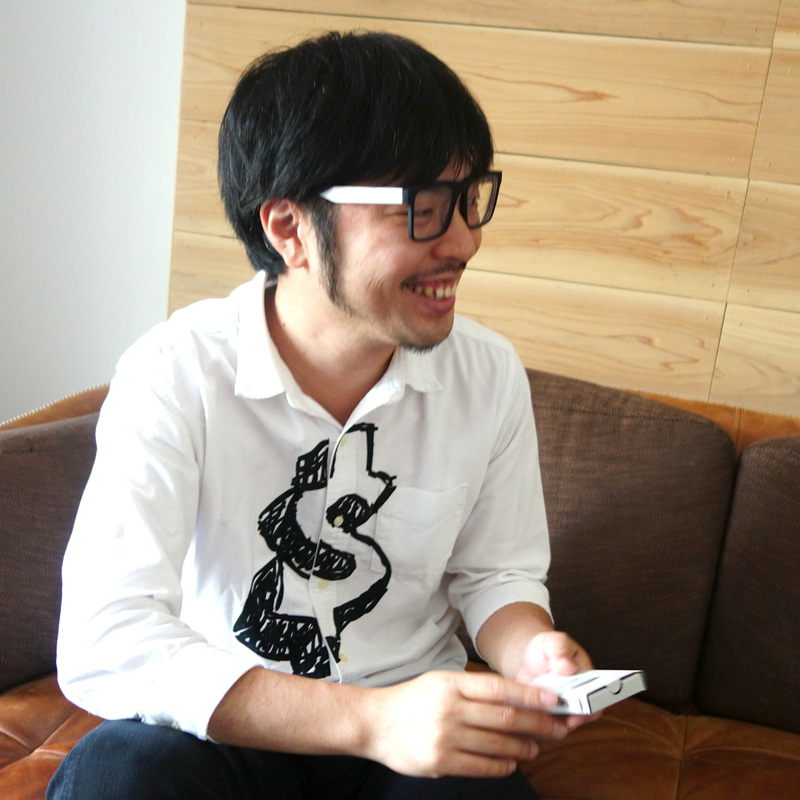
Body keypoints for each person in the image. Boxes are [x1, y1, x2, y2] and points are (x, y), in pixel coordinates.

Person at [48, 31, 594, 800]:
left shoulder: (487, 374)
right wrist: (371, 721)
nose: (465, 241)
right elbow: (106, 636)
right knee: (121, 774)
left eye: (469, 200)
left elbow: (494, 574)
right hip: (229, 725)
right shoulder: (176, 372)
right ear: (289, 228)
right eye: (423, 208)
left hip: (408, 744)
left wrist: (531, 650)